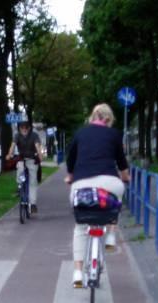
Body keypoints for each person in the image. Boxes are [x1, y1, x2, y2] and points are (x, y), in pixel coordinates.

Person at [65, 103, 130, 288]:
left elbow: (71, 159)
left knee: (79, 227)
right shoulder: (114, 134)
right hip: (109, 183)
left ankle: (78, 272)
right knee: (118, 194)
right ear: (108, 119)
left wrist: (70, 176)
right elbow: (121, 161)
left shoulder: (80, 133)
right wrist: (125, 176)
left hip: (81, 185)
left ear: (92, 117)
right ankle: (110, 233)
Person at [6, 120, 44, 213]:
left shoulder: (34, 135)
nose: (24, 130)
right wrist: (9, 154)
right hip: (21, 158)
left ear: (29, 128)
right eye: (22, 128)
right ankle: (20, 186)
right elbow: (13, 146)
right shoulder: (17, 135)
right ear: (19, 129)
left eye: (26, 128)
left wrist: (40, 155)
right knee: (20, 170)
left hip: (31, 159)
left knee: (33, 181)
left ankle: (33, 204)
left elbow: (37, 146)